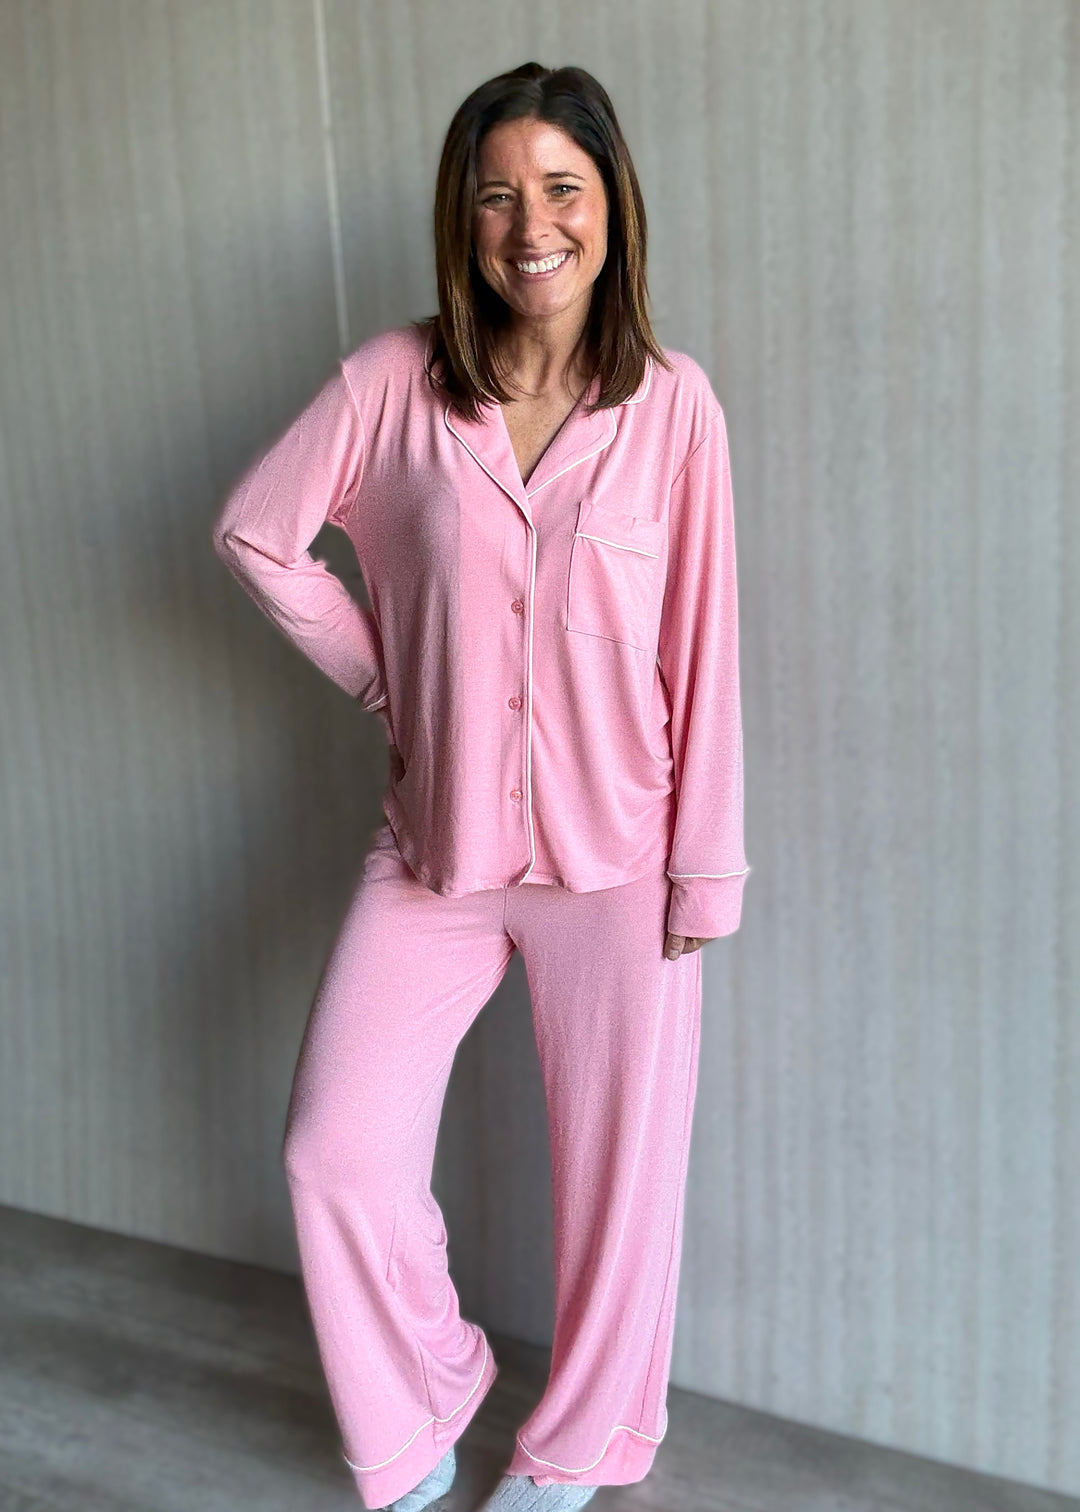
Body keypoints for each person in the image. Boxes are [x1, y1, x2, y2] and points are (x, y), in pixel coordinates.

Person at [212, 60, 750, 1512]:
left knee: (618, 1195)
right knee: (335, 1148)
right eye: (499, 193)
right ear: (465, 217)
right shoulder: (392, 383)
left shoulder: (673, 407)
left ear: (609, 209)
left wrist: (707, 868)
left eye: (561, 190)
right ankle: (425, 1396)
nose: (532, 224)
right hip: (435, 847)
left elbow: (703, 645)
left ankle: (576, 1450)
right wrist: (389, 676)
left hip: (623, 858)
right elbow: (261, 534)